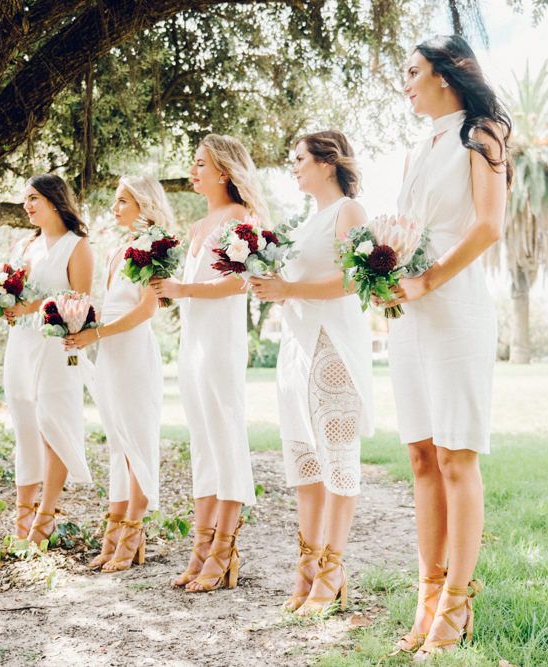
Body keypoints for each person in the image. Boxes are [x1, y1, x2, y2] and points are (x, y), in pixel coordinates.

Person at [384, 35, 510, 658]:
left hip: (455, 310)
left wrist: (431, 277)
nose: (405, 82)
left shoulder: (480, 134)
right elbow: (406, 233)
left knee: (458, 456)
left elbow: (489, 224)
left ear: (446, 75)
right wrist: (383, 278)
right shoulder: (415, 150)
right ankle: (427, 596)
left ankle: (457, 607)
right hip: (408, 319)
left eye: (412, 71)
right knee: (421, 457)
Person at [250, 130, 373, 616]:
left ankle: (334, 568)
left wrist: (289, 287)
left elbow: (353, 279)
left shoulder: (349, 212)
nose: (293, 165)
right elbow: (291, 285)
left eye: (299, 158)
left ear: (328, 162)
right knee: (305, 462)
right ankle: (307, 567)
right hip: (296, 348)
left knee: (337, 458)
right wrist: (271, 287)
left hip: (333, 345)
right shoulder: (303, 223)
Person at [151, 133, 269, 592]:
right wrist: (168, 292)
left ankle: (225, 551)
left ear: (224, 172)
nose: (193, 171)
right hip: (192, 344)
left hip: (221, 344)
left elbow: (241, 284)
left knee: (225, 439)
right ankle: (200, 550)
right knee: (202, 444)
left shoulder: (242, 219)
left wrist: (183, 291)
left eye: (201, 164)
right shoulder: (199, 226)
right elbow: (192, 286)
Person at [65, 175, 170, 572]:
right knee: (117, 446)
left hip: (134, 353)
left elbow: (146, 309)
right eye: (115, 200)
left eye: (123, 201)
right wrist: (77, 325)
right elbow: (108, 305)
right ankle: (113, 536)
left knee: (137, 443)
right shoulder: (115, 251)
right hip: (109, 351)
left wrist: (97, 333)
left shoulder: (152, 248)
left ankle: (132, 534)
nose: (116, 207)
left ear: (144, 204)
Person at [3, 173, 94, 544]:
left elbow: (81, 302)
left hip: (56, 345)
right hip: (21, 344)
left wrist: (34, 306)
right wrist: (5, 304)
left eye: (33, 198)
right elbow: (13, 288)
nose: (27, 205)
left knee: (51, 423)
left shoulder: (77, 246)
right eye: (25, 199)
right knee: (24, 422)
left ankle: (46, 514)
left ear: (54, 201)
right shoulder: (25, 245)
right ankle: (23, 511)